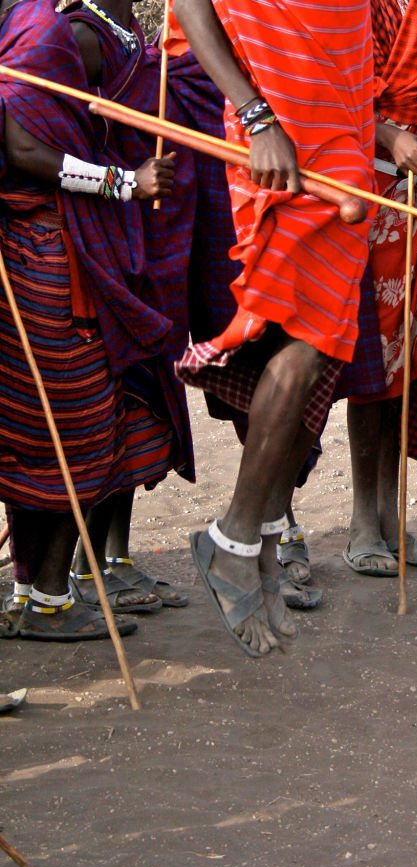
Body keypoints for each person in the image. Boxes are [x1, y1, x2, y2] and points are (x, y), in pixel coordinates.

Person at [174, 0, 373, 656]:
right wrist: (256, 115)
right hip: (279, 142)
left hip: (346, 143)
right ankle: (232, 539)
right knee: (303, 339)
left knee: (317, 353)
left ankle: (252, 541)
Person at [0, 0, 174, 641]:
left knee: (58, 430)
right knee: (71, 427)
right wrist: (123, 183)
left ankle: (35, 593)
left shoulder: (47, 22)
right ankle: (43, 595)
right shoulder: (48, 31)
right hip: (46, 255)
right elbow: (21, 146)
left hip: (69, 248)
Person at [66, 0, 196, 614]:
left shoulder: (127, 31)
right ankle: (85, 566)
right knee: (112, 395)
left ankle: (116, 557)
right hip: (106, 238)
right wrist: (124, 181)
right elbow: (50, 138)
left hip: (150, 239)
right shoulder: (78, 35)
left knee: (143, 394)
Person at [337, 0, 417, 577]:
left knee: (405, 360)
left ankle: (390, 519)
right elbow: (330, 91)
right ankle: (364, 522)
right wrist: (387, 133)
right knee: (376, 357)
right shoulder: (353, 7)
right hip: (363, 187)